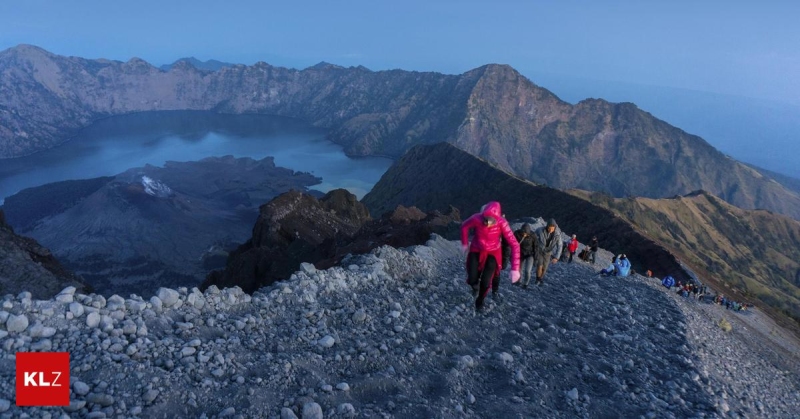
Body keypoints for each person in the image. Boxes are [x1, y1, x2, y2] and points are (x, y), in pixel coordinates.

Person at [461, 202, 520, 312]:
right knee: (472, 276)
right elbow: (464, 226)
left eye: (491, 220)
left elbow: (514, 244)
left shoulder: (502, 223)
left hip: (493, 252)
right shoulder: (477, 218)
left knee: (486, 280)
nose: (488, 222)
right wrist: (464, 243)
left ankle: (480, 301)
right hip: (476, 248)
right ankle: (475, 286)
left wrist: (515, 269)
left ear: (497, 218)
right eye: (486, 219)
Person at [532, 218, 563, 286]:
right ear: (547, 226)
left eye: (552, 228)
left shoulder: (557, 234)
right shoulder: (540, 230)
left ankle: (541, 278)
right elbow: (533, 238)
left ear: (555, 227)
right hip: (540, 251)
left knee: (545, 267)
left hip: (548, 253)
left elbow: (560, 245)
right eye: (549, 228)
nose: (551, 230)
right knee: (539, 265)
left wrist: (556, 257)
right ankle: (538, 279)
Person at [514, 223, 536, 288]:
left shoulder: (533, 235)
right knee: (519, 269)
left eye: (526, 233)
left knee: (527, 271)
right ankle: (518, 281)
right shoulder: (516, 234)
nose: (524, 234)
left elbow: (536, 247)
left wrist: (536, 258)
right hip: (520, 254)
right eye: (523, 233)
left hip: (530, 254)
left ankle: (526, 284)